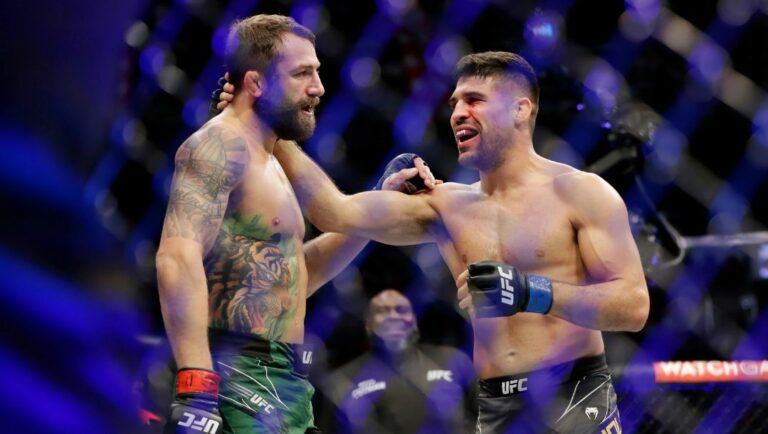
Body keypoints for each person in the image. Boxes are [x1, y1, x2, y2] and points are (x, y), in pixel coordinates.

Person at [255, 51, 650, 433]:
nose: (459, 113)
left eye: (475, 100)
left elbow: (633, 306)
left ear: (521, 109)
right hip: (496, 406)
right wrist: (269, 124)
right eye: (455, 103)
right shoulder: (447, 206)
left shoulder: (581, 193)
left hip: (575, 396)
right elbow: (332, 213)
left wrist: (531, 292)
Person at [155, 14, 437, 434]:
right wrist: (195, 385)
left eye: (318, 73)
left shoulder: (270, 161)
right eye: (303, 73)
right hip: (235, 369)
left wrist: (380, 200)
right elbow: (177, 256)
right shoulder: (219, 146)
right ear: (257, 83)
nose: (318, 88)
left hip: (285, 377)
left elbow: (294, 275)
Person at [315, 289, 476, 434]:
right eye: (382, 311)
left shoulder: (452, 360)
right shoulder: (344, 380)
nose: (393, 316)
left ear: (414, 322)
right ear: (368, 325)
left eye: (401, 310)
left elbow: (485, 414)